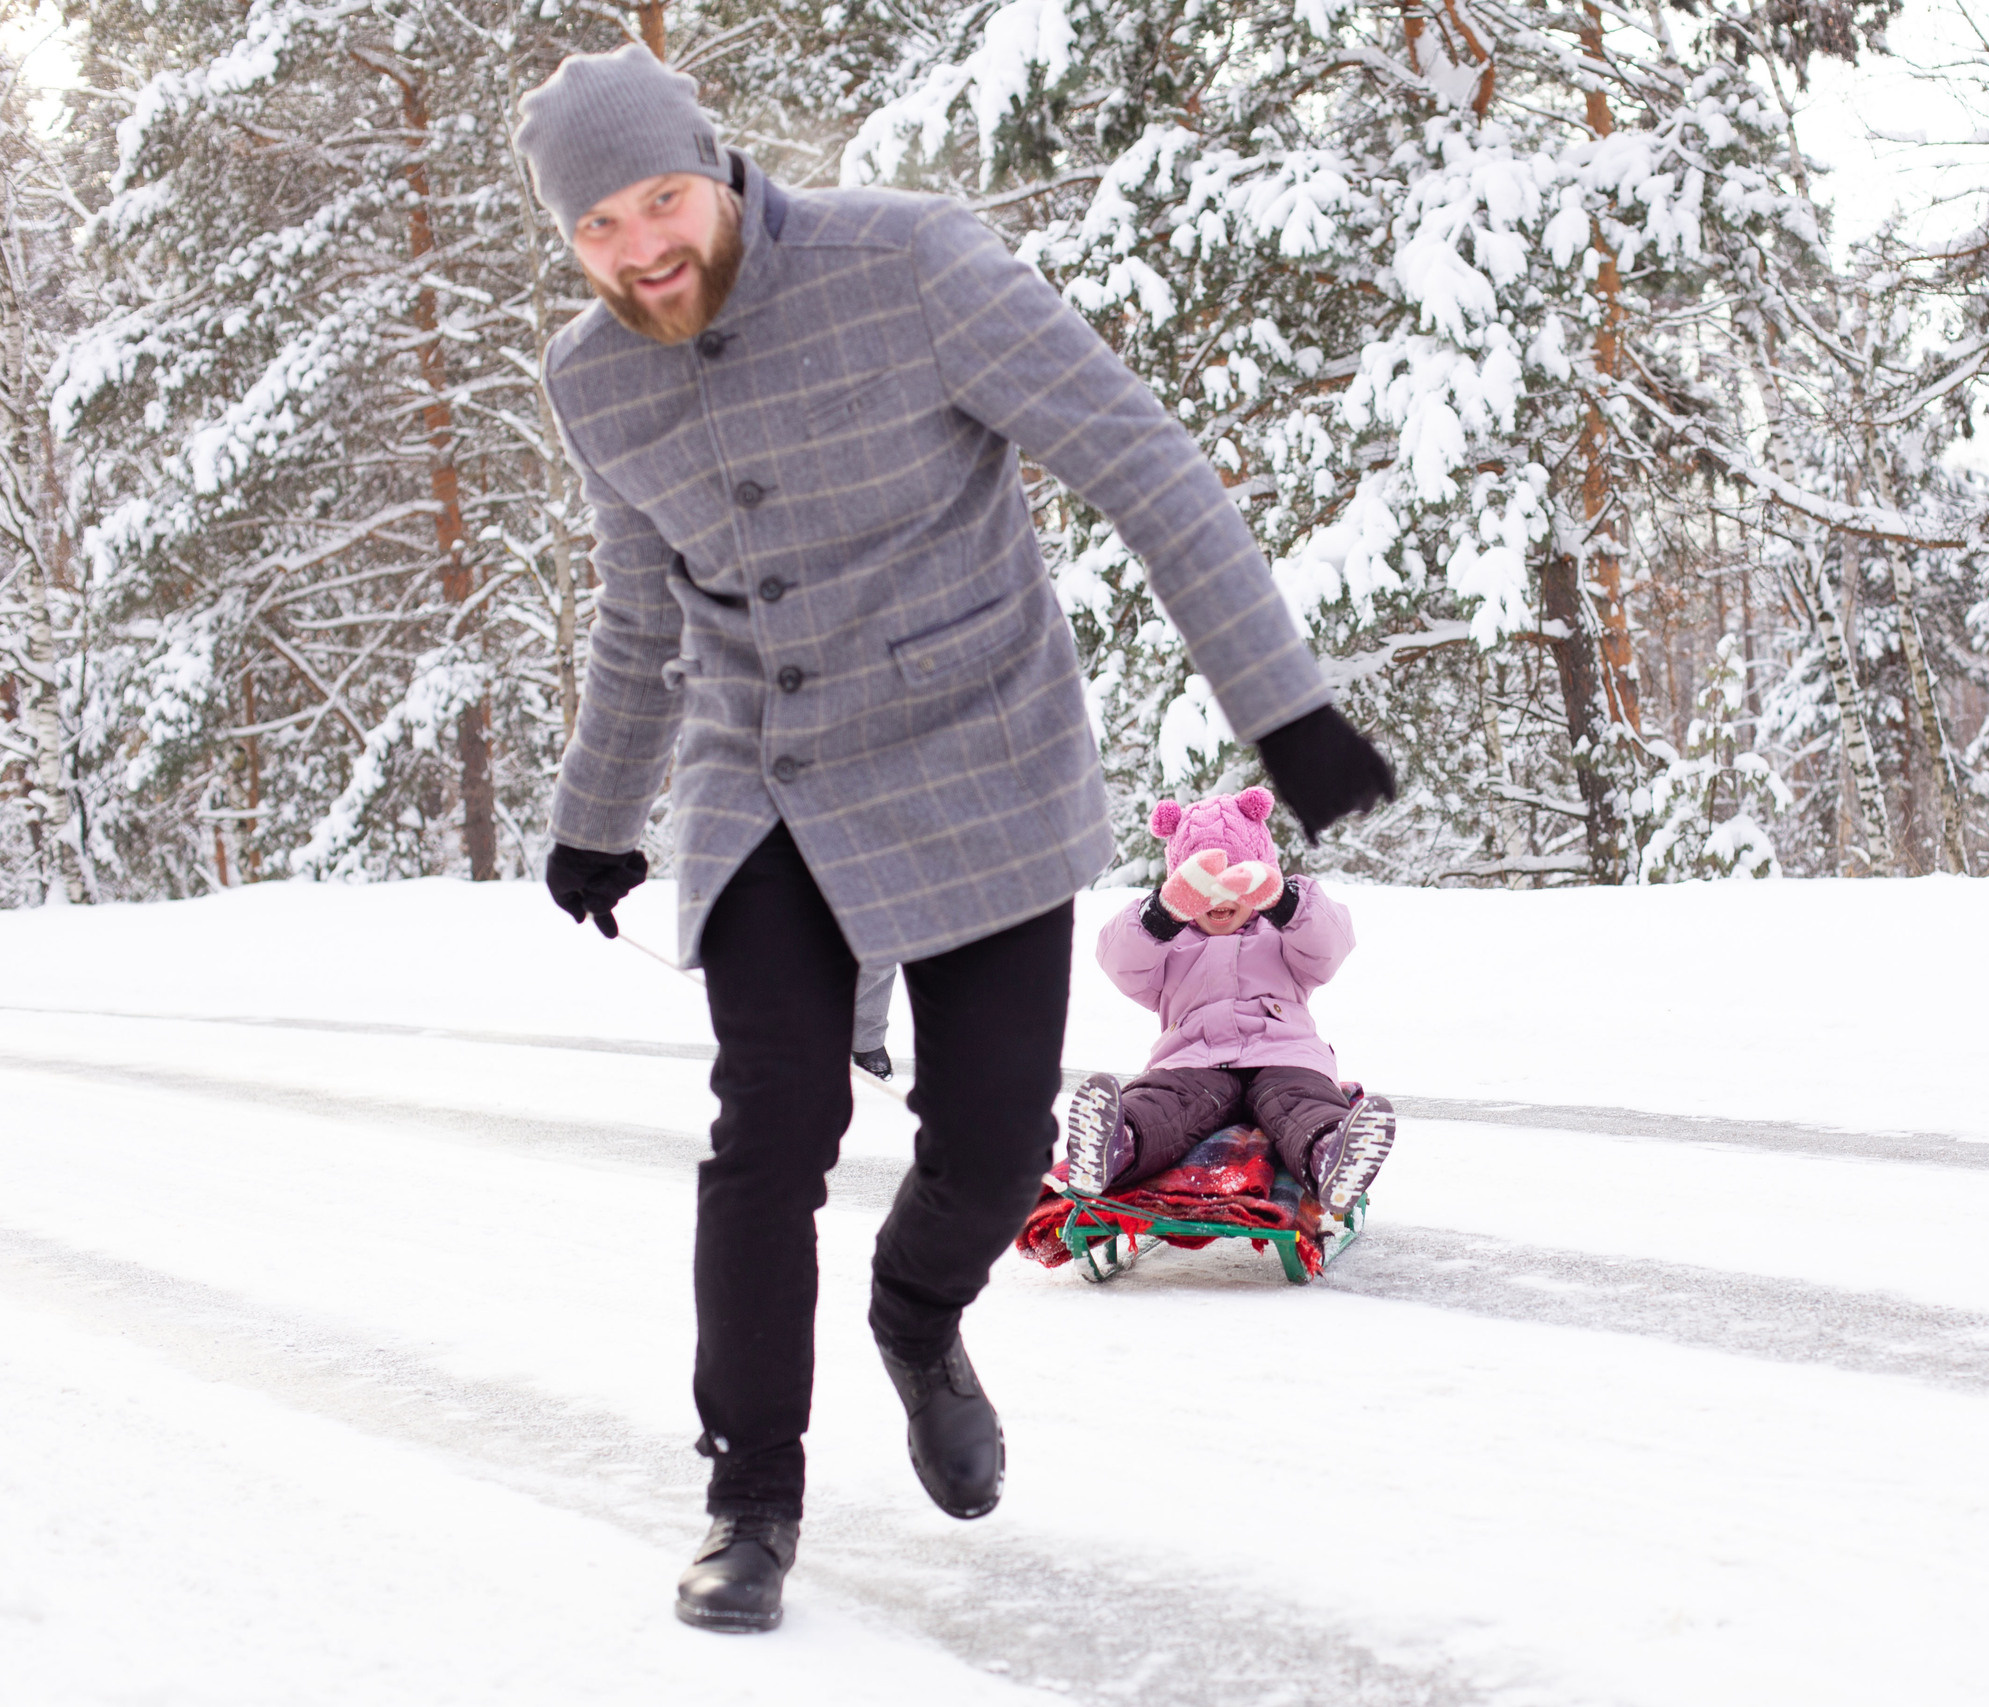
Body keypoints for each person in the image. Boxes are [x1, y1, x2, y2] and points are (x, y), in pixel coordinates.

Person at [511, 45, 1393, 1634]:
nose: (638, 246)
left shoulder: (909, 263)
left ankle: (918, 1313)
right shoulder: (593, 376)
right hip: (761, 771)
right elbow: (637, 610)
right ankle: (749, 1495)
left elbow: (1139, 455)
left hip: (972, 743)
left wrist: (1288, 707)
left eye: (659, 200)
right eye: (596, 227)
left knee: (990, 1136)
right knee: (767, 1124)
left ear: (715, 164)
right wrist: (593, 817)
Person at [1066, 788, 1395, 1213]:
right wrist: (1162, 915)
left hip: (1284, 1055)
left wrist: (1284, 903)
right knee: (1162, 1104)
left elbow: (1330, 945)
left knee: (1300, 1102)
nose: (1219, 900)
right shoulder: (1169, 941)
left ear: (1260, 881)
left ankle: (1332, 1154)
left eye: (1235, 884)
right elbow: (1119, 962)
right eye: (1201, 889)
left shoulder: (1282, 931)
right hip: (1191, 1062)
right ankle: (1115, 1142)